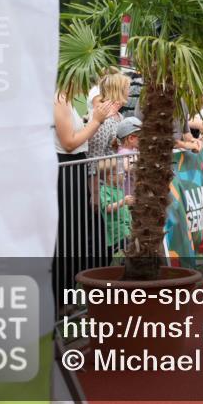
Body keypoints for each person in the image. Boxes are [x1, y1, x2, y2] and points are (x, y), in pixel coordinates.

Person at [53, 89, 118, 310]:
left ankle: (68, 296)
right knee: (66, 236)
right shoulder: (58, 99)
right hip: (64, 171)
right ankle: (60, 300)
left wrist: (94, 120)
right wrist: (96, 121)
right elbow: (69, 143)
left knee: (76, 234)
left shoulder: (67, 100)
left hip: (75, 168)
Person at [99, 117, 140, 258]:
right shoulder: (123, 154)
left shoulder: (133, 151)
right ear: (130, 138)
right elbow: (128, 168)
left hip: (128, 201)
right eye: (140, 136)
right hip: (127, 198)